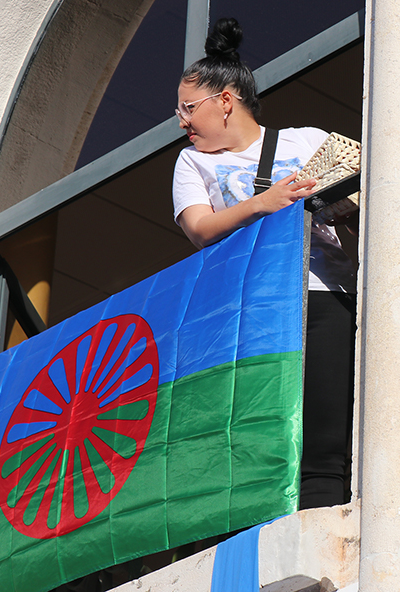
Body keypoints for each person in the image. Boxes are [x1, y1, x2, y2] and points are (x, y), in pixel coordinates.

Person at [172, 17, 357, 510]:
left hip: (325, 297)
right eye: (180, 110)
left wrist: (344, 208)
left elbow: (364, 219)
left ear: (225, 100)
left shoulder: (306, 142)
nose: (182, 120)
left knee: (325, 435)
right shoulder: (194, 163)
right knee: (257, 441)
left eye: (189, 108)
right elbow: (199, 229)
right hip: (252, 310)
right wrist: (263, 202)